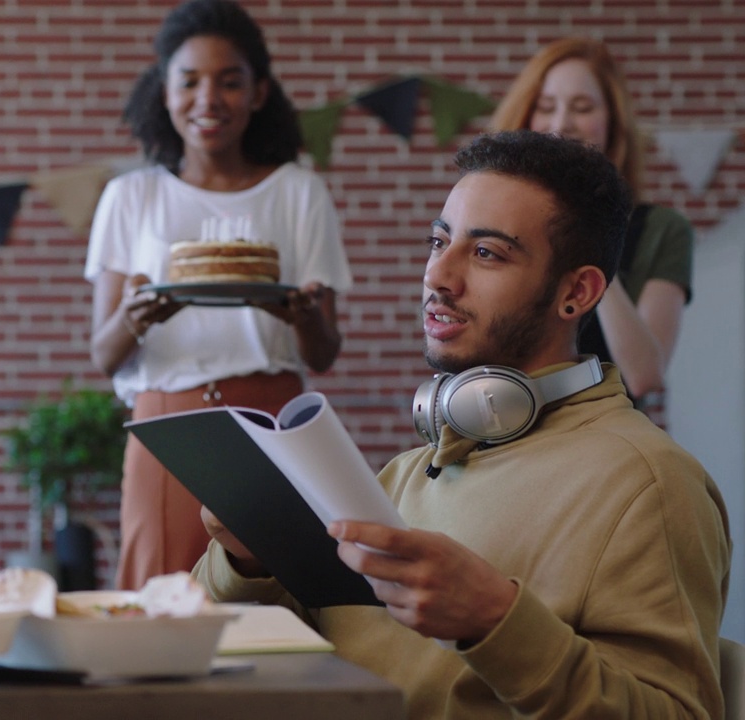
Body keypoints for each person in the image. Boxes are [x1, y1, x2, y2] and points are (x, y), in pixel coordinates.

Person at [194, 131, 730, 718]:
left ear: (577, 291)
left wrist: (496, 622)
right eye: (438, 241)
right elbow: (236, 653)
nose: (438, 277)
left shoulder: (651, 483)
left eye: (486, 253)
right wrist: (247, 562)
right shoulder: (400, 475)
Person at [85, 0, 352, 590]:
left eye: (230, 82)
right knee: (159, 599)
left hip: (272, 416)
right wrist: (137, 317)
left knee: (280, 597)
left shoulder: (299, 192)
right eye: (190, 81)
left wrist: (299, 315)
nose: (209, 99)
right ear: (164, 91)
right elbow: (104, 354)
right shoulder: (130, 197)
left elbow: (323, 353)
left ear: (258, 94)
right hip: (166, 425)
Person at [490, 37, 693, 400]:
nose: (562, 122)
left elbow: (644, 375)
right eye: (546, 105)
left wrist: (587, 220)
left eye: (582, 107)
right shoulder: (495, 219)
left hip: (605, 443)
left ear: (614, 125)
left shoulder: (662, 230)